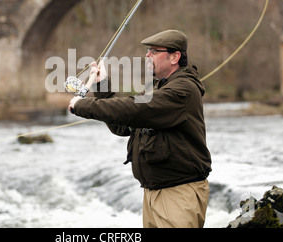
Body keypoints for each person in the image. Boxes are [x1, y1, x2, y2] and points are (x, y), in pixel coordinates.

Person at [68, 29, 212, 228]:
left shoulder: (183, 90)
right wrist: (101, 85)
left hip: (179, 194)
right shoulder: (157, 87)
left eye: (154, 51)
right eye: (148, 51)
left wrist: (83, 105)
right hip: (152, 194)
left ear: (175, 57)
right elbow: (123, 125)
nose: (147, 56)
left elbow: (135, 108)